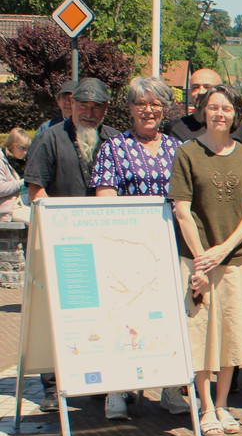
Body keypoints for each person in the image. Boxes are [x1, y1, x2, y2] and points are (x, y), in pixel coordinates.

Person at [169, 85, 242, 436]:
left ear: (236, 114)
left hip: (236, 259)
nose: (219, 114)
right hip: (197, 261)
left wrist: (224, 249)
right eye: (213, 107)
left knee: (229, 337)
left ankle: (223, 404)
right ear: (202, 112)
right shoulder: (186, 153)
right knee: (201, 338)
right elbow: (182, 210)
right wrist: (202, 259)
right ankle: (206, 406)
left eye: (226, 108)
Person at [90, 75, 189, 418]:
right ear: (130, 108)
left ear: (165, 109)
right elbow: (105, 195)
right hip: (126, 248)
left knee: (166, 319)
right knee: (123, 319)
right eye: (141, 104)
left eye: (155, 104)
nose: (148, 110)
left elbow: (186, 200)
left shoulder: (178, 149)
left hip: (169, 246)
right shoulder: (114, 148)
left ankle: (170, 389)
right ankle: (117, 390)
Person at [24, 77, 119, 412]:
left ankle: (100, 381)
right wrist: (58, 231)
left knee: (100, 316)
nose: (88, 112)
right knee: (54, 316)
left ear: (106, 108)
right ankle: (52, 386)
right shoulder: (49, 139)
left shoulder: (114, 141)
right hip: (60, 245)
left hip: (104, 246)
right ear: (70, 105)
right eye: (83, 105)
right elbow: (36, 190)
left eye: (96, 106)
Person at [163, 68, 242, 145]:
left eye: (207, 87)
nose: (201, 92)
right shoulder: (174, 129)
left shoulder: (239, 129)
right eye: (195, 87)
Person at [0, 128, 30, 221]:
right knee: (37, 220)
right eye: (21, 148)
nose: (24, 152)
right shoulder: (2, 160)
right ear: (11, 145)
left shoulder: (25, 160)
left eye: (27, 148)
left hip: (26, 204)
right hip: (9, 209)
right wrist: (21, 183)